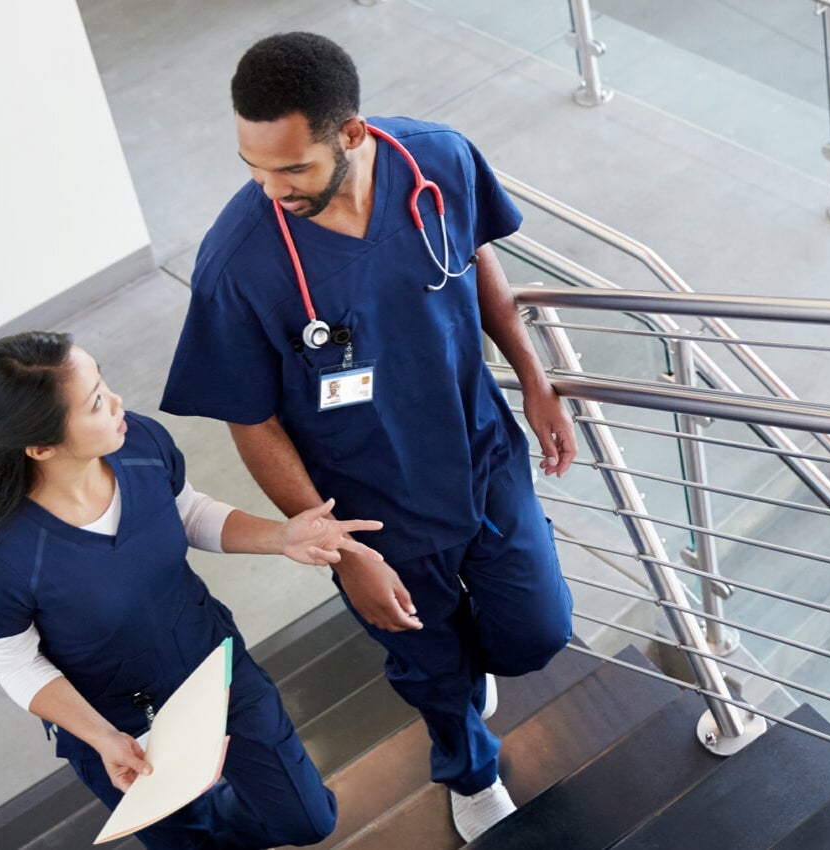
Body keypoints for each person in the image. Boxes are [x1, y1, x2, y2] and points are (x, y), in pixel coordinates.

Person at [160, 32, 576, 841]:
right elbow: (250, 418)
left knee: (538, 632)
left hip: (480, 456)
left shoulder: (438, 162)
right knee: (431, 669)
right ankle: (468, 765)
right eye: (252, 167)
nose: (270, 188)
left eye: (293, 169)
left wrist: (533, 375)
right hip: (371, 511)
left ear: (349, 134)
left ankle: (469, 668)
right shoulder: (239, 264)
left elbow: (477, 257)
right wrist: (341, 549)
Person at [0, 331, 378, 849]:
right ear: (41, 446)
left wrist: (280, 536)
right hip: (118, 725)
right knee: (187, 841)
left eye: (103, 383)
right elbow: (15, 663)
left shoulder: (141, 444)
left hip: (211, 669)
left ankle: (223, 812)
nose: (117, 403)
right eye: (94, 404)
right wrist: (102, 737)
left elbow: (186, 512)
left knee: (306, 821)